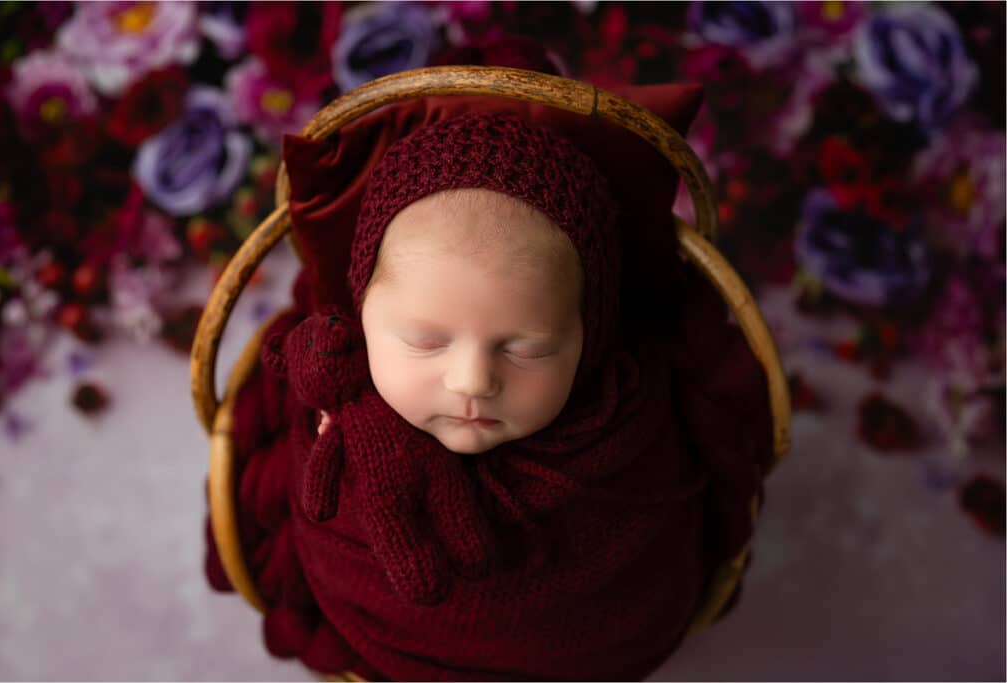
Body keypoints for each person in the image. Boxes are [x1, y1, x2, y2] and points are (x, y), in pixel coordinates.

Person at [209, 109, 774, 681]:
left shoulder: (635, 429)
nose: (473, 381)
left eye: (527, 349)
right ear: (359, 318)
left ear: (592, 338)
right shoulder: (327, 409)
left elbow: (659, 566)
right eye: (426, 341)